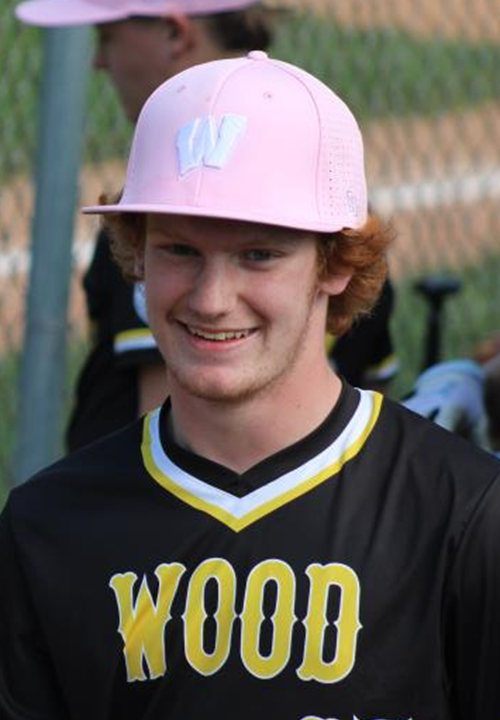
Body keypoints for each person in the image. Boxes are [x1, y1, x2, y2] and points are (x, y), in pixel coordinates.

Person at [1, 53, 499, 719]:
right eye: (179, 249)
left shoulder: (464, 516)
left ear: (336, 264)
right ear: (136, 254)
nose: (211, 299)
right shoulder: (48, 527)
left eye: (259, 254)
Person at [16, 0, 398, 453]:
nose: (99, 61)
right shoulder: (329, 197)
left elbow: (176, 447)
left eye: (108, 37)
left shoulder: (163, 215)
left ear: (175, 33)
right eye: (183, 251)